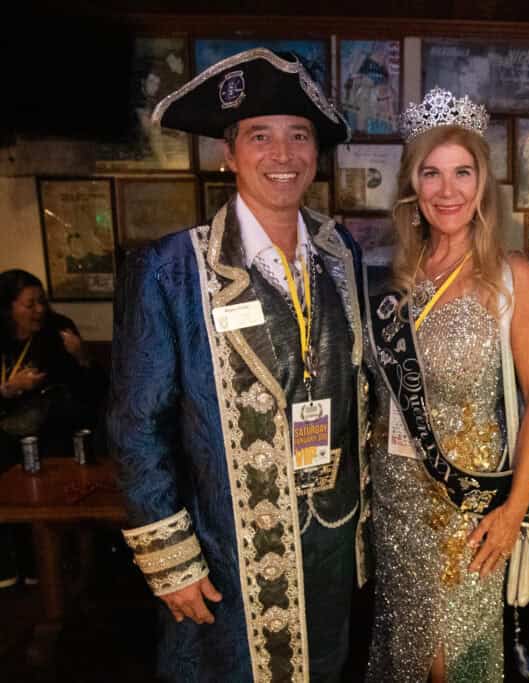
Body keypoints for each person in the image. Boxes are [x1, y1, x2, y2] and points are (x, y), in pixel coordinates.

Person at [107, 49, 369, 682]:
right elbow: (137, 426)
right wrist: (173, 562)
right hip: (228, 554)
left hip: (329, 542)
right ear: (230, 153)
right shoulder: (173, 268)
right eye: (261, 136)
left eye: (299, 135)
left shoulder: (341, 254)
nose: (283, 154)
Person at [364, 87, 529, 682]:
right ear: (412, 186)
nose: (448, 191)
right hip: (394, 501)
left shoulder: (512, 276)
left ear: (483, 183)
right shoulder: (395, 277)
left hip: (466, 504)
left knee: (454, 662)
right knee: (404, 654)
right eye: (432, 173)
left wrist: (514, 508)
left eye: (462, 173)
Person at [1, 269, 96, 587]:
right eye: (29, 305)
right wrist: (8, 390)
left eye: (41, 302)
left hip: (54, 434)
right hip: (7, 435)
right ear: (8, 307)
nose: (39, 310)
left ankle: (60, 571)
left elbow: (89, 392)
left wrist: (81, 357)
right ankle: (17, 567)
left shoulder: (59, 333)